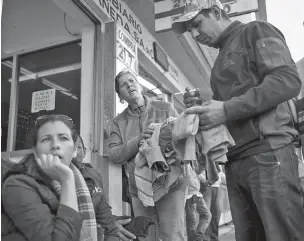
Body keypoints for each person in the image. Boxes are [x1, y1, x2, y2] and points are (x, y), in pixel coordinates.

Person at [172, 0, 304, 240]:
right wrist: (205, 112)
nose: (194, 33)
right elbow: (227, 113)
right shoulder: (217, 67)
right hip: (234, 161)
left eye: (197, 24)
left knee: (283, 234)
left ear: (216, 11)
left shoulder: (257, 30)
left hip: (268, 152)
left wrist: (226, 109)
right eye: (190, 29)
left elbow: (287, 80)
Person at [1, 114, 137, 241]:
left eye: (63, 138)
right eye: (46, 139)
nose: (55, 145)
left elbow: (109, 224)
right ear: (35, 150)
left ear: (74, 150)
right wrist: (67, 180)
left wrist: (112, 229)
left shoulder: (88, 175)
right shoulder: (17, 183)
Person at [109, 69, 187, 241]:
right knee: (146, 236)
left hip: (170, 183)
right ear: (120, 97)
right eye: (123, 84)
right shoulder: (117, 122)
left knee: (172, 236)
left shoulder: (165, 108)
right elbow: (114, 155)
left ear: (140, 86)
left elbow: (182, 139)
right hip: (139, 189)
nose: (129, 85)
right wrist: (139, 139)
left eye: (132, 81)